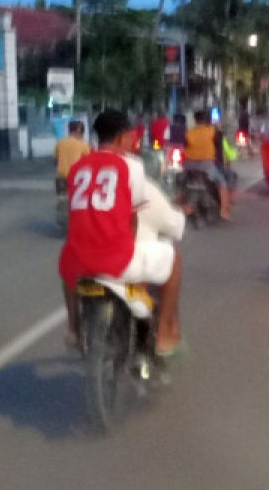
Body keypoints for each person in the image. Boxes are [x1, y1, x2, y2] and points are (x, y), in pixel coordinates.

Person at [59, 110, 185, 356]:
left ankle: (74, 328)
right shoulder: (132, 167)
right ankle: (163, 334)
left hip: (78, 259)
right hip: (116, 260)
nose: (132, 142)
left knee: (67, 262)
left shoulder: (78, 168)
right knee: (173, 260)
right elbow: (133, 217)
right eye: (130, 137)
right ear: (120, 138)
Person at [184, 110, 231, 220]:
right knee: (222, 182)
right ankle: (224, 210)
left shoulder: (188, 132)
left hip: (189, 166)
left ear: (195, 120)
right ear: (206, 120)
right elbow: (219, 144)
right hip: (207, 167)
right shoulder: (211, 131)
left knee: (181, 184)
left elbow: (183, 146)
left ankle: (182, 206)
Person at [54, 121, 91, 194]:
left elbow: (56, 160)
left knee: (62, 200)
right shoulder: (83, 145)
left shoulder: (60, 143)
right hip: (77, 177)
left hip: (61, 177)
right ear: (78, 131)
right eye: (82, 132)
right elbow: (88, 162)